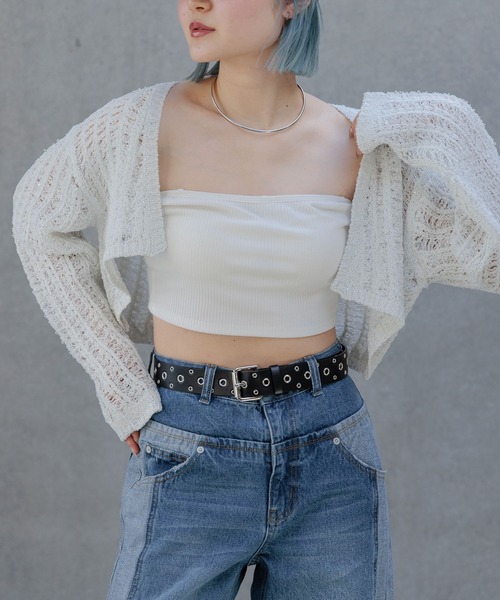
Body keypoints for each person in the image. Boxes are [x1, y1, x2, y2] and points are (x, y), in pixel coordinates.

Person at [11, 1, 500, 599]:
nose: (196, 3)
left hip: (331, 449)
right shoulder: (140, 125)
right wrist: (117, 379)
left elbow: (491, 258)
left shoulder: (357, 145)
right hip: (189, 443)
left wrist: (443, 124)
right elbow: (36, 218)